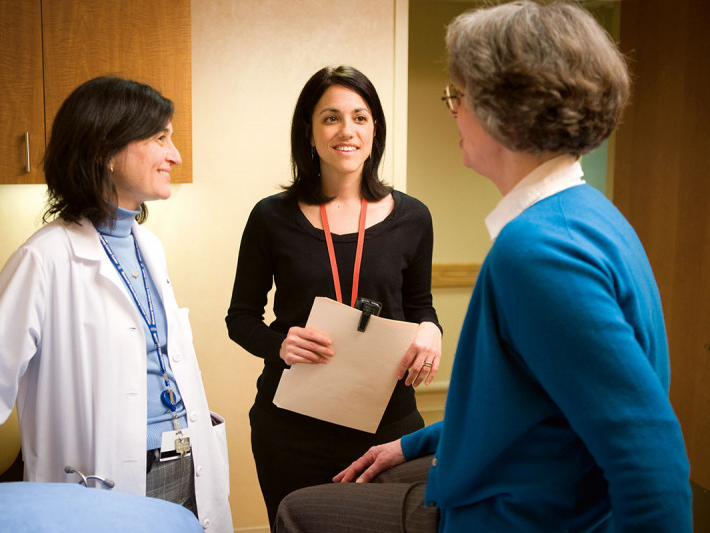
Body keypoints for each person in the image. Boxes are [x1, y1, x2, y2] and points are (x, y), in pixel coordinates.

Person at [274, 2, 693, 532]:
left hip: (516, 516)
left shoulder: (540, 252)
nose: (454, 111)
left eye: (459, 96)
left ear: (505, 108)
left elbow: (652, 468)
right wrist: (414, 442)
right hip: (528, 490)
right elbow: (531, 407)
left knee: (299, 511)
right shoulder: (585, 216)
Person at [0, 76, 233, 532]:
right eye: (160, 138)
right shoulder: (43, 259)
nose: (175, 155)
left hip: (184, 462)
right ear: (104, 149)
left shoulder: (148, 247)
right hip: (111, 480)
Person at [225, 65, 443, 527]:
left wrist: (432, 331)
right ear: (309, 131)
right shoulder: (271, 217)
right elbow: (240, 317)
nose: (347, 131)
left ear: (375, 129)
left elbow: (421, 305)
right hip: (292, 428)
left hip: (387, 428)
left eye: (360, 118)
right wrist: (279, 345)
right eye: (331, 118)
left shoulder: (413, 217)